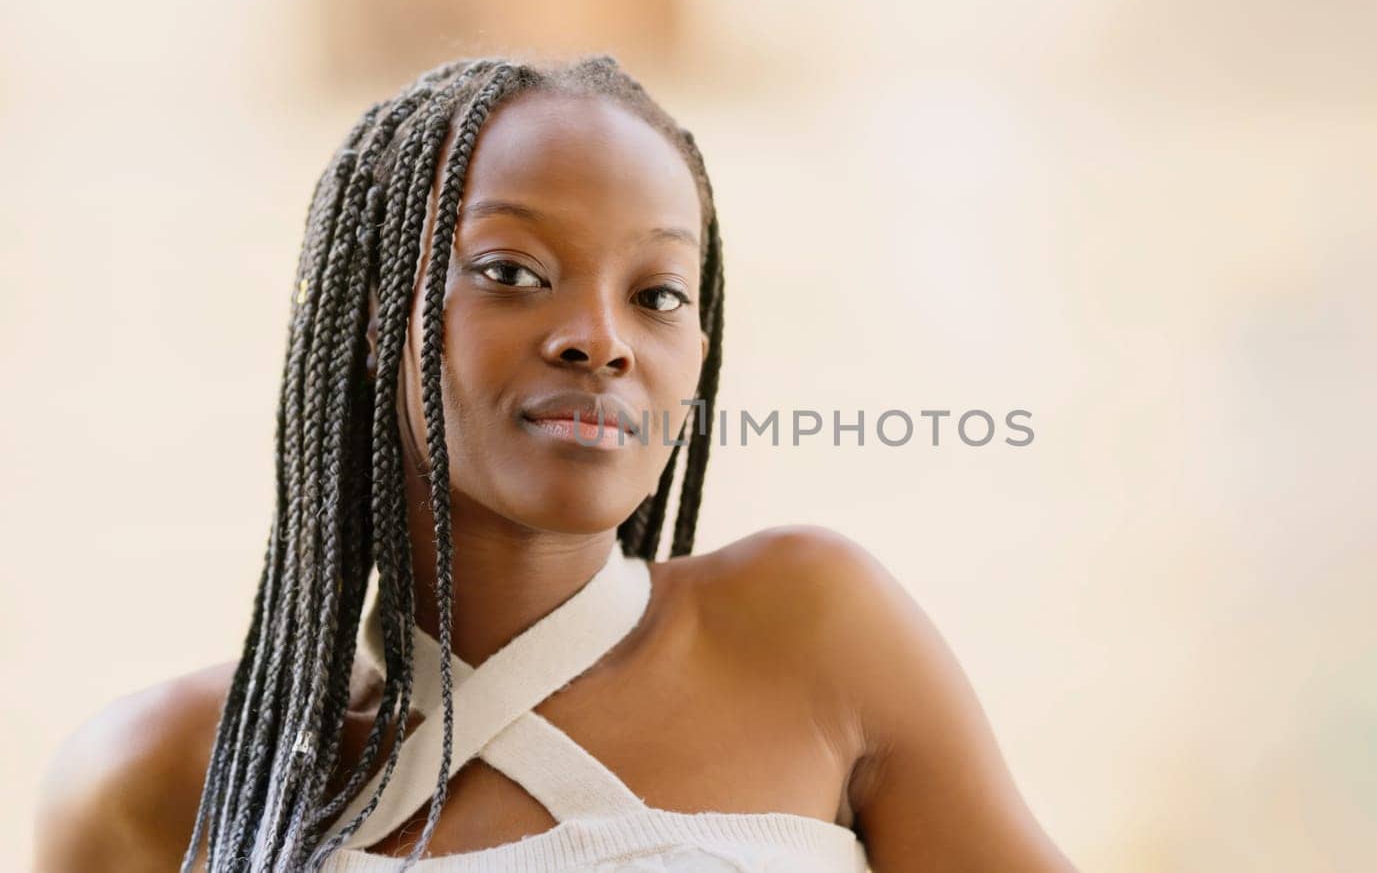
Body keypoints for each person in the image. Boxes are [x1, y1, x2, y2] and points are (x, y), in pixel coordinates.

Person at [33, 55, 1075, 873]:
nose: (597, 338)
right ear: (371, 318)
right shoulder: (159, 779)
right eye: (511, 272)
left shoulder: (811, 634)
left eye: (657, 295)